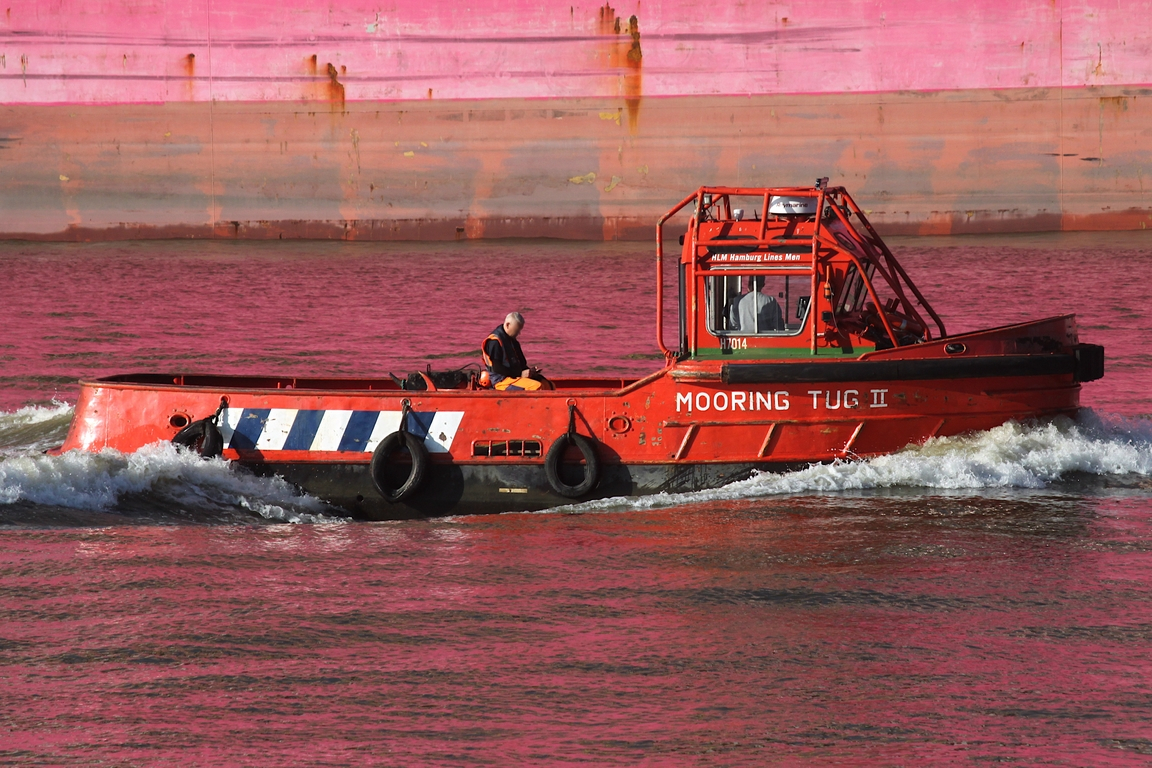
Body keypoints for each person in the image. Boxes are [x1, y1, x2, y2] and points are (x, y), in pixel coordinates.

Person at [482, 312, 552, 391]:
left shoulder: (513, 341)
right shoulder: (494, 341)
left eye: (519, 330)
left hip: (515, 376)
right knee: (536, 387)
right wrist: (520, 374)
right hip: (501, 381)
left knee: (548, 384)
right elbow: (497, 368)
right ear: (508, 325)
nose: (519, 333)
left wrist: (530, 372)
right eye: (517, 330)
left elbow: (522, 364)